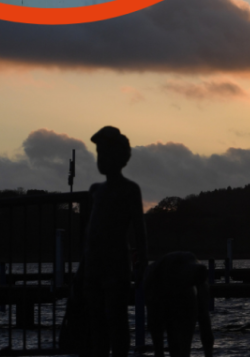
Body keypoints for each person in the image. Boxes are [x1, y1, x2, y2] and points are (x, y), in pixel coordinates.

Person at [83, 126, 148, 357]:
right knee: (96, 319)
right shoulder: (95, 190)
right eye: (98, 153)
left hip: (117, 263)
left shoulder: (130, 189)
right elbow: (89, 232)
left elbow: (140, 230)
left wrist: (142, 263)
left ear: (119, 157)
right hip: (93, 264)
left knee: (116, 318)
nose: (100, 159)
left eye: (105, 153)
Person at [144, 251, 214, 357]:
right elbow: (155, 326)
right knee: (165, 335)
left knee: (200, 322)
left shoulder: (194, 281)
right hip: (162, 283)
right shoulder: (157, 276)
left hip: (184, 280)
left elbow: (203, 324)